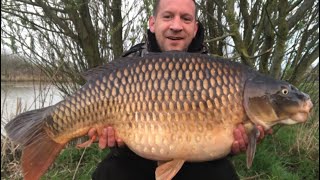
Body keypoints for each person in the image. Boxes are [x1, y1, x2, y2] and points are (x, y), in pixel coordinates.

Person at [89, 0, 271, 179]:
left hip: (198, 163)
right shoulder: (130, 64)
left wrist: (236, 145)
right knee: (110, 171)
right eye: (168, 16)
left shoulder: (218, 72)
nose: (176, 26)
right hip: (135, 158)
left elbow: (219, 139)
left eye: (186, 18)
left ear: (195, 28)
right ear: (153, 23)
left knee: (222, 173)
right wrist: (116, 143)